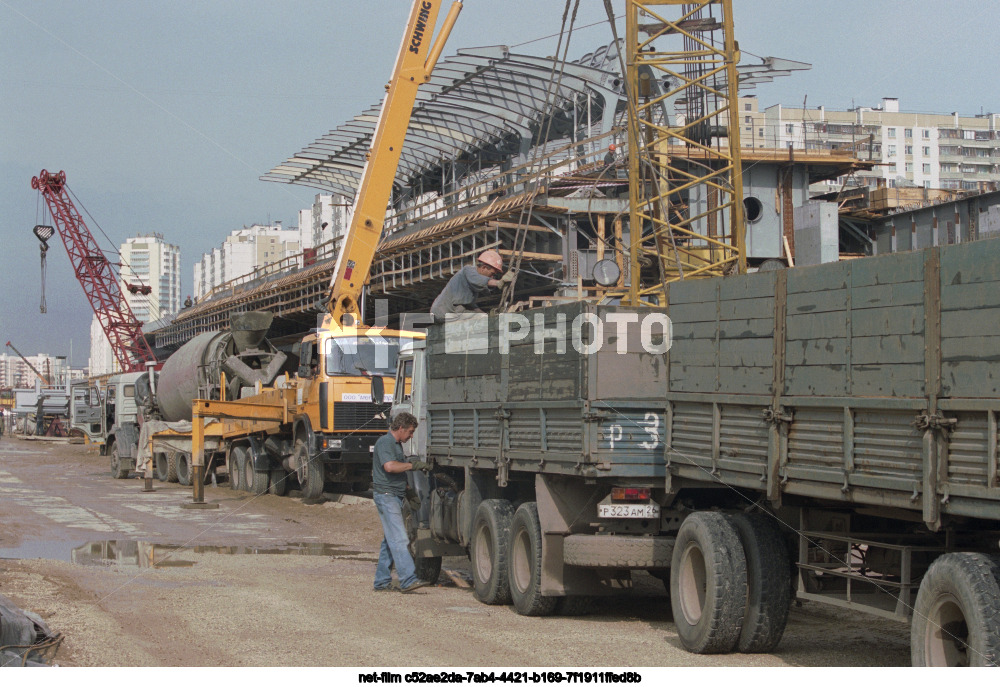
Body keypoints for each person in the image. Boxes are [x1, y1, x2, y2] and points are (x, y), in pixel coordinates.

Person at [372, 411, 433, 592]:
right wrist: (413, 465)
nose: (411, 436)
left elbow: (396, 473)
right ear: (401, 428)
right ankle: (407, 579)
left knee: (390, 541)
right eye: (410, 431)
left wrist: (408, 492)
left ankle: (381, 581)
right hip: (387, 496)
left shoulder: (396, 445)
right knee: (399, 538)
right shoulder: (385, 442)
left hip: (393, 495)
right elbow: (390, 467)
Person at [429, 249, 513, 320]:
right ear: (483, 268)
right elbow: (479, 280)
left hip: (444, 313)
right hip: (442, 312)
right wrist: (499, 282)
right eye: (492, 273)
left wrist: (485, 315)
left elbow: (471, 305)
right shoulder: (468, 270)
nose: (492, 276)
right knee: (480, 318)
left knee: (481, 316)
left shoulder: (469, 287)